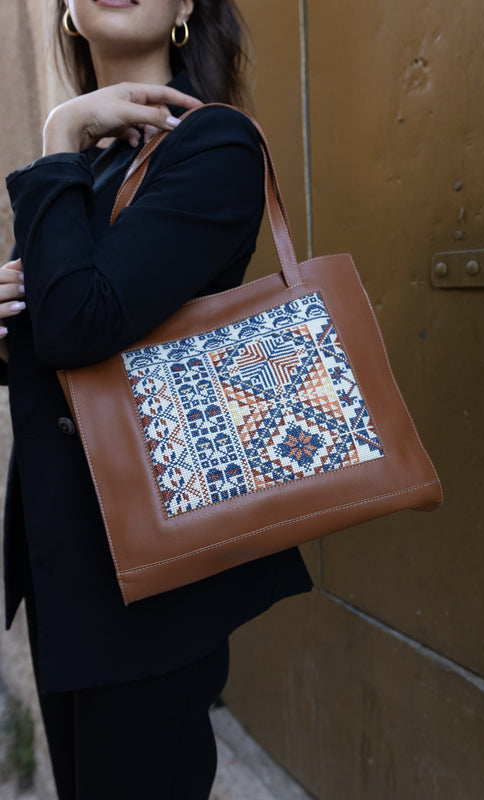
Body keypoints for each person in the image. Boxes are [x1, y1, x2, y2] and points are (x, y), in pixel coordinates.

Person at [0, 1, 313, 798]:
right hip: (67, 563)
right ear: (68, 12)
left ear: (185, 10)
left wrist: (58, 136)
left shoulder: (212, 143)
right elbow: (40, 344)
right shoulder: (92, 162)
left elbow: (77, 324)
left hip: (154, 570)